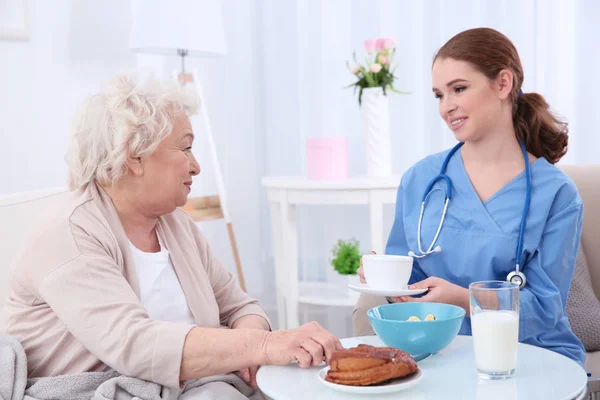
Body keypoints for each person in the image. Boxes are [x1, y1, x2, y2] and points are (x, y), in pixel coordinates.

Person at [0, 74, 341, 397]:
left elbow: (239, 307)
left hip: (196, 387)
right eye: (185, 148)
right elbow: (133, 344)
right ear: (135, 156)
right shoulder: (68, 231)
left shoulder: (176, 225)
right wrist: (263, 346)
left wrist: (249, 345)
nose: (196, 166)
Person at [356, 27, 585, 366]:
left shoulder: (556, 194)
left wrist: (466, 300)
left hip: (529, 354)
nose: (446, 107)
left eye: (458, 89)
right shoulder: (421, 180)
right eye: (438, 95)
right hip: (438, 350)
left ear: (503, 84)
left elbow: (545, 309)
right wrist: (382, 279)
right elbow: (408, 285)